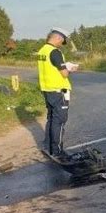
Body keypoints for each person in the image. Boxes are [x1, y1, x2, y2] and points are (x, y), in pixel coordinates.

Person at [37, 27, 78, 161]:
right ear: (58, 38)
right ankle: (57, 151)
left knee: (51, 119)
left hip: (47, 90)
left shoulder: (42, 50)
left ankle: (48, 147)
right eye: (62, 41)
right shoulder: (55, 52)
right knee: (59, 121)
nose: (61, 44)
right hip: (59, 90)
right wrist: (71, 68)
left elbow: (50, 67)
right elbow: (64, 73)